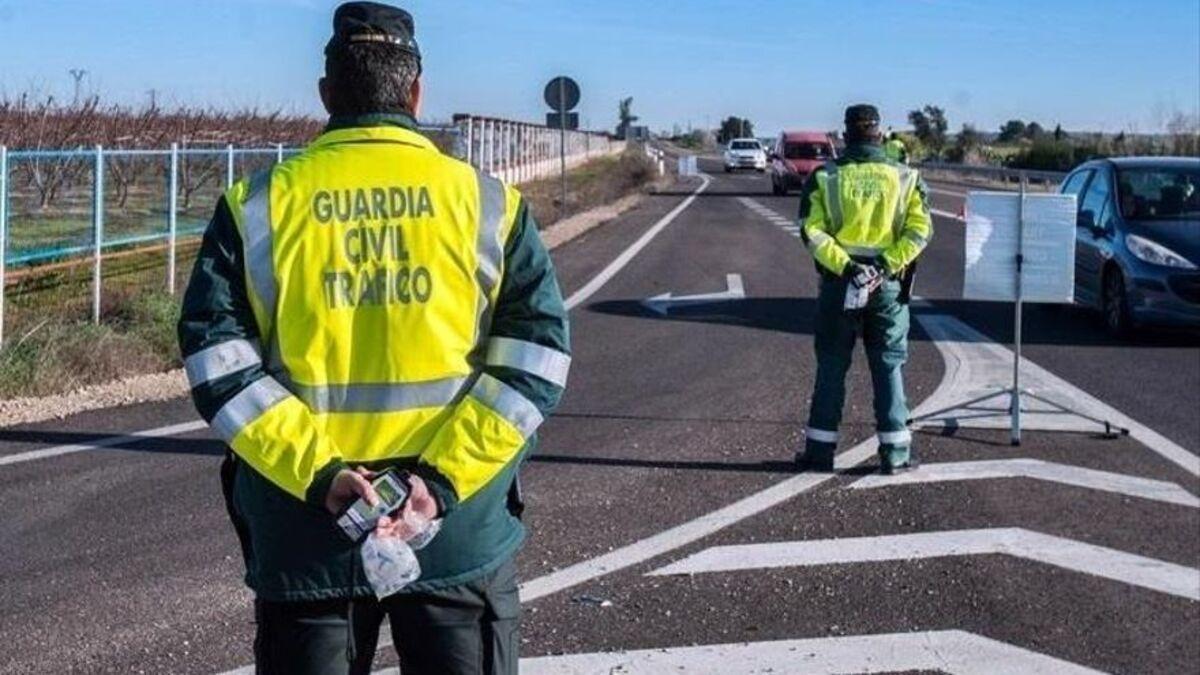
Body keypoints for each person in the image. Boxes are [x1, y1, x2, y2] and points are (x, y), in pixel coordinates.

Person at [177, 3, 570, 673]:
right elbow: (536, 360)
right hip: (453, 532)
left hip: (309, 533)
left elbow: (218, 362)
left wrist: (324, 476)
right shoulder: (488, 204)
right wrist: (440, 482)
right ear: (416, 91)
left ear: (327, 93)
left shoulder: (256, 206)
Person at [796, 104, 932, 474]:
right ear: (880, 133)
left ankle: (820, 453)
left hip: (841, 284)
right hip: (887, 285)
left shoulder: (826, 177)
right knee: (888, 365)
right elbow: (920, 231)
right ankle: (896, 455)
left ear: (845, 134)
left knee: (831, 366)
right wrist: (885, 266)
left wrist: (848, 267)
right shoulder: (905, 177)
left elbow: (812, 230)